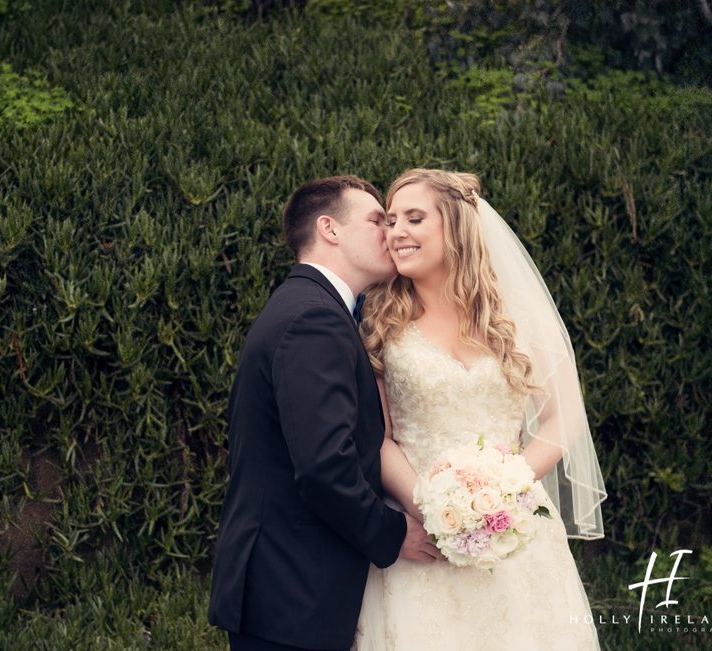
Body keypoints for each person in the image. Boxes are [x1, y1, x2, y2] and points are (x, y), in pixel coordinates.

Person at [353, 168, 608, 650]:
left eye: (414, 217)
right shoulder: (379, 320)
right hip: (421, 532)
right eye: (390, 220)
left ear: (455, 225)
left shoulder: (518, 316)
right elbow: (380, 434)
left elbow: (565, 416)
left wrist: (507, 489)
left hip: (514, 526)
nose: (397, 232)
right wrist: (428, 504)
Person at [209, 176, 440, 651]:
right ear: (329, 229)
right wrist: (394, 533)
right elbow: (323, 466)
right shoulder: (314, 319)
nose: (391, 233)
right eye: (378, 219)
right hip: (290, 593)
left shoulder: (315, 308)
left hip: (288, 589)